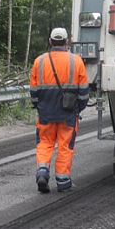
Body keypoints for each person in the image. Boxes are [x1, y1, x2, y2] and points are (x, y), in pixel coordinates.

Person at [30, 28, 89, 193]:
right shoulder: (76, 61)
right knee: (65, 146)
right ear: (66, 42)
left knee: (44, 144)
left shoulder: (39, 61)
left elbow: (33, 91)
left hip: (45, 113)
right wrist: (79, 108)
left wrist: (38, 106)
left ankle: (42, 171)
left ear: (50, 41)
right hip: (68, 114)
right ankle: (63, 182)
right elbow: (84, 91)